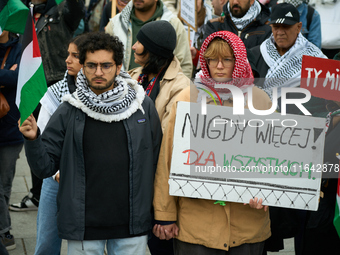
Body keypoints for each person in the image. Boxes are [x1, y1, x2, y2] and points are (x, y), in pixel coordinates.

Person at [18, 32, 162, 254]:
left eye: (106, 65)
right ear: (82, 66)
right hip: (84, 225)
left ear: (119, 65)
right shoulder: (69, 109)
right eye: (91, 65)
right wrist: (33, 138)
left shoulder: (142, 106)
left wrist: (160, 213)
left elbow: (157, 161)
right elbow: (44, 167)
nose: (98, 72)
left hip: (131, 223)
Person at [153, 30, 272, 254]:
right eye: (212, 59)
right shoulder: (187, 98)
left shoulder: (260, 101)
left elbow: (276, 157)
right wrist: (165, 214)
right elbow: (167, 158)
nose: (218, 66)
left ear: (238, 60)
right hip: (197, 227)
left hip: (246, 226)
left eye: (227, 59)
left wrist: (268, 193)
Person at [9, 0, 85, 212]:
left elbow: (77, 7)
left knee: (53, 140)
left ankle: (53, 185)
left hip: (54, 84)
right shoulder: (23, 10)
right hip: (32, 83)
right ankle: (37, 193)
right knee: (34, 138)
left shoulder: (63, 11)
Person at [128, 20, 190, 255]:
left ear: (153, 50)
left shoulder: (180, 88)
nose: (133, 46)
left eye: (140, 43)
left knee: (160, 247)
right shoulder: (133, 77)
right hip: (133, 182)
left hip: (157, 184)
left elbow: (167, 144)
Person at [34, 34, 85, 255]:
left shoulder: (109, 97)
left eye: (75, 56)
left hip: (89, 180)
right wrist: (57, 170)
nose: (67, 60)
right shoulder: (55, 94)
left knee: (87, 245)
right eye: (68, 54)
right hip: (56, 178)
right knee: (46, 241)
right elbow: (44, 139)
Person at [250, 3, 327, 116]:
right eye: (276, 27)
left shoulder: (316, 59)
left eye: (286, 26)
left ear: (298, 27)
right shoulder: (255, 54)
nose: (280, 32)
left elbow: (324, 102)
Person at [105, 0, 193, 78]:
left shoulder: (173, 24)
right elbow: (105, 62)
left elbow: (184, 65)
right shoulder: (115, 24)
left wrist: (175, 93)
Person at [0, 30, 24, 251]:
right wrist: (5, 74)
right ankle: (4, 229)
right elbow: (10, 78)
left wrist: (10, 76)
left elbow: (21, 78)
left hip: (10, 129)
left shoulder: (19, 47)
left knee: (5, 184)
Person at [203, 0, 272, 49]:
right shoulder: (215, 26)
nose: (235, 2)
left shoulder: (267, 29)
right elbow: (207, 57)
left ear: (251, 1)